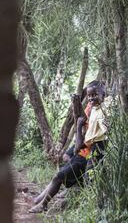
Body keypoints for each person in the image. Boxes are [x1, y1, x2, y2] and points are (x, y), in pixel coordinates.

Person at [29, 81, 110, 213]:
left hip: (92, 150)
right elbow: (83, 140)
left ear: (103, 94)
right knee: (63, 170)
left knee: (64, 176)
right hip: (87, 149)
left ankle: (45, 203)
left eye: (95, 95)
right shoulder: (94, 109)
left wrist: (78, 126)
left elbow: (83, 144)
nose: (91, 98)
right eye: (89, 96)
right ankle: (45, 200)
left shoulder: (103, 110)